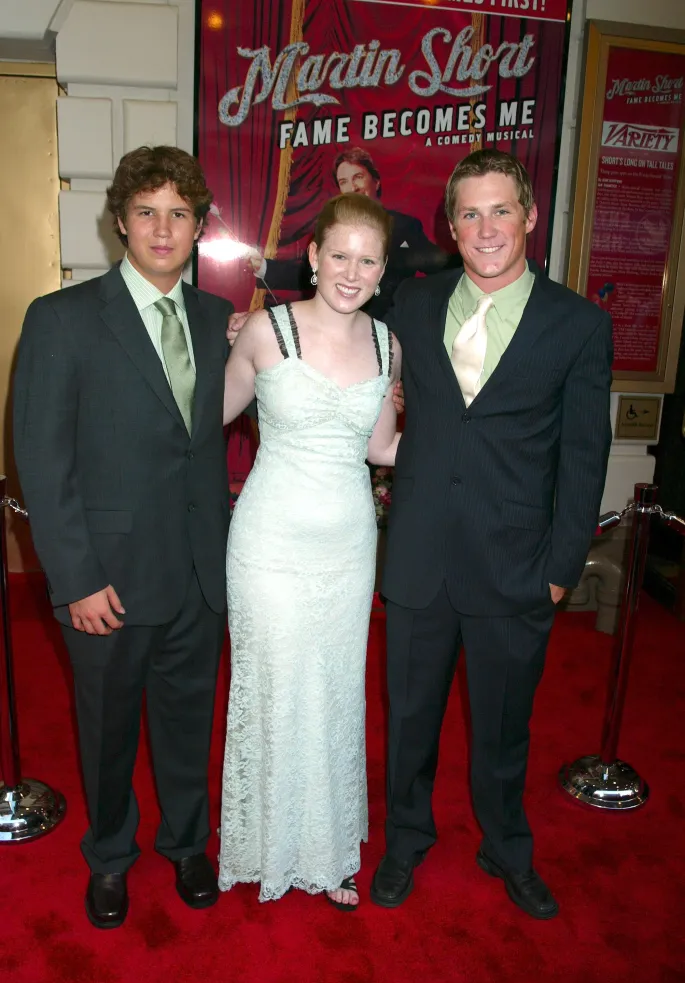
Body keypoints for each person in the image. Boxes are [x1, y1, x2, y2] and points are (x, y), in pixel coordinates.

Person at [370, 149, 613, 919]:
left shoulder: (577, 324)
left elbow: (583, 456)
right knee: (408, 721)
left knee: (504, 730)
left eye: (500, 210)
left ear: (530, 216)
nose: (485, 228)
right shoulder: (410, 303)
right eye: (469, 212)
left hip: (515, 567)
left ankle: (505, 845)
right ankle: (405, 839)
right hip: (416, 559)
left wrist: (559, 568)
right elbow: (336, 337)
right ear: (448, 222)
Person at [13, 146, 237, 929]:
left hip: (199, 574)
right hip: (104, 577)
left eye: (180, 212)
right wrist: (73, 577)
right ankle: (110, 855)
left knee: (187, 721)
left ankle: (185, 844)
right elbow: (40, 459)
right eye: (147, 211)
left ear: (200, 225)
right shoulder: (61, 319)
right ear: (120, 222)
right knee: (106, 731)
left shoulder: (217, 321)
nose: (163, 227)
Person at [218, 193, 401, 909]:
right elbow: (209, 415)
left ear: (383, 271)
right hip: (268, 542)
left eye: (368, 259)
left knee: (331, 691)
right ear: (314, 257)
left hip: (348, 548)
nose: (351, 272)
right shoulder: (266, 330)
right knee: (271, 686)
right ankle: (266, 846)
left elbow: (380, 446)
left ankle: (326, 852)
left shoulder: (389, 344)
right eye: (340, 255)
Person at [247, 146, 459, 317]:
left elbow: (438, 264)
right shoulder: (333, 226)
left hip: (388, 329)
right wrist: (263, 267)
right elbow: (306, 273)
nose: (352, 187)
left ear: (375, 181)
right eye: (344, 182)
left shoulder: (404, 226)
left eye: (358, 177)